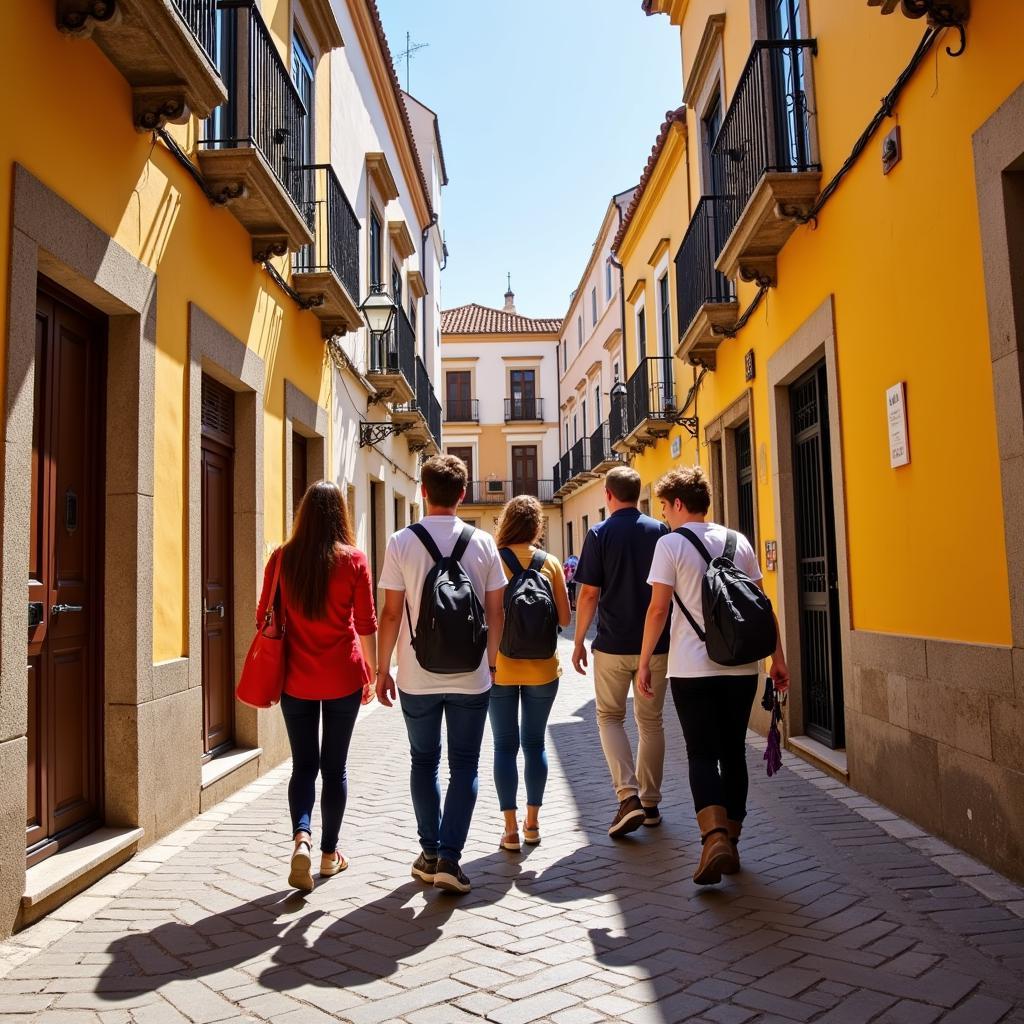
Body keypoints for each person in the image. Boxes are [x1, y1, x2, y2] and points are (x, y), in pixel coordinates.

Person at [637, 466, 789, 885]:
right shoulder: (738, 541)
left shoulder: (670, 545)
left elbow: (657, 609)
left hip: (692, 669)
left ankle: (714, 837)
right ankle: (732, 843)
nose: (664, 514)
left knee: (701, 753)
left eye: (665, 507)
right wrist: (778, 658)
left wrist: (646, 660)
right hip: (742, 666)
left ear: (679, 504)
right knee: (733, 751)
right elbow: (763, 604)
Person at [376, 454, 506, 894]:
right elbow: (495, 610)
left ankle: (429, 851)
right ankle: (449, 857)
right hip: (472, 675)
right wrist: (491, 662)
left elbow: (391, 613)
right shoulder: (484, 543)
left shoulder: (401, 542)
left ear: (423, 491)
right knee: (465, 764)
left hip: (416, 675)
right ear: (463, 494)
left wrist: (382, 669)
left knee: (423, 762)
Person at [256, 481, 377, 894]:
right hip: (343, 676)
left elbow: (262, 615)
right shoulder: (354, 560)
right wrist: (372, 672)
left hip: (296, 679)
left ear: (302, 515)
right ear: (341, 515)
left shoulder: (282, 559)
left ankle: (301, 838)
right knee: (335, 767)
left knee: (303, 766)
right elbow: (366, 624)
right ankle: (329, 856)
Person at [571, 466, 671, 838]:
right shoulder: (660, 531)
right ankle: (651, 803)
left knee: (610, 717)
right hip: (655, 646)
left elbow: (589, 593)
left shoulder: (598, 533)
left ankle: (627, 796)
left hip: (611, 646)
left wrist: (579, 639)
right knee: (651, 722)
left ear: (608, 495)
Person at [489, 496, 572, 851]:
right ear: (537, 527)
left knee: (504, 746)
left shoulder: (493, 560)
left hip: (499, 668)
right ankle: (533, 824)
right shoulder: (550, 563)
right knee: (534, 743)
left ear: (505, 523)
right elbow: (566, 620)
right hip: (542, 669)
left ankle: (509, 830)